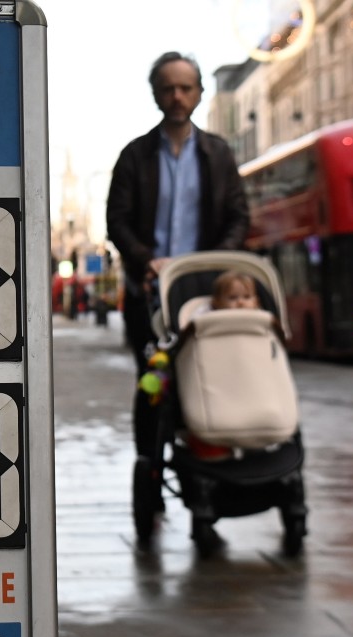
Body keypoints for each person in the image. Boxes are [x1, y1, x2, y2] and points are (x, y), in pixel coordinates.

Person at [106, 51, 250, 544]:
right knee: (155, 384)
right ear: (155, 93)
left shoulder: (218, 154)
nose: (177, 97)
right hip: (149, 294)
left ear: (199, 94)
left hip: (202, 298)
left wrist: (211, 263)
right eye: (168, 88)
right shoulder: (134, 156)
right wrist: (146, 259)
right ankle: (150, 470)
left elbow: (238, 217)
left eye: (186, 88)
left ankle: (205, 495)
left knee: (206, 387)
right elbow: (117, 221)